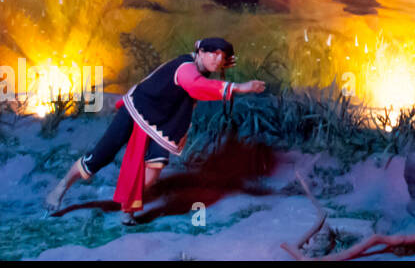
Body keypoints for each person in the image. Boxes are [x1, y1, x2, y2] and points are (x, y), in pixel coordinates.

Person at [44, 37, 266, 224]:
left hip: (162, 123)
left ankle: (128, 208)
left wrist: (215, 66)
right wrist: (239, 87)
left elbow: (200, 81)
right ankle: (62, 186)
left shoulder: (199, 65)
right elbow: (196, 86)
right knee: (100, 157)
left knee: (155, 168)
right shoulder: (186, 68)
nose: (218, 60)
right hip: (137, 110)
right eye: (213, 54)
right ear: (200, 52)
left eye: (222, 56)